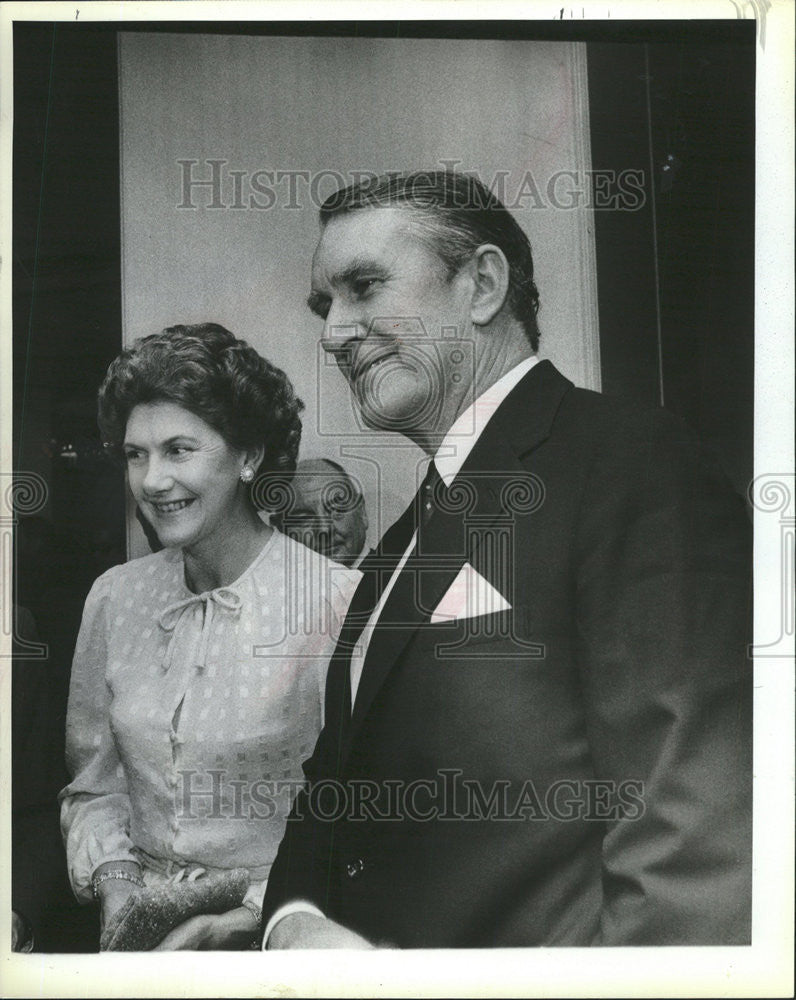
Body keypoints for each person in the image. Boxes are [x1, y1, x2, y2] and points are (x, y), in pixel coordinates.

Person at [260, 171, 753, 948]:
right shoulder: (397, 546)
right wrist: (295, 922)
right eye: (326, 306)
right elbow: (333, 783)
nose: (332, 333)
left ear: (483, 285)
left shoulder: (628, 463)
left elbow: (698, 831)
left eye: (363, 287)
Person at [59, 323, 359, 949]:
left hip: (278, 931)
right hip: (135, 933)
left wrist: (249, 916)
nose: (152, 481)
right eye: (135, 455)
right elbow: (95, 784)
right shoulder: (114, 597)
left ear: (249, 456)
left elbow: (353, 821)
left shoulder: (336, 602)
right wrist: (117, 883)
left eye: (178, 450)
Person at [274, 458, 370, 569]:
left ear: (362, 512)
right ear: (281, 530)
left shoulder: (393, 579)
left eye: (337, 509)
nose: (324, 529)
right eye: (304, 519)